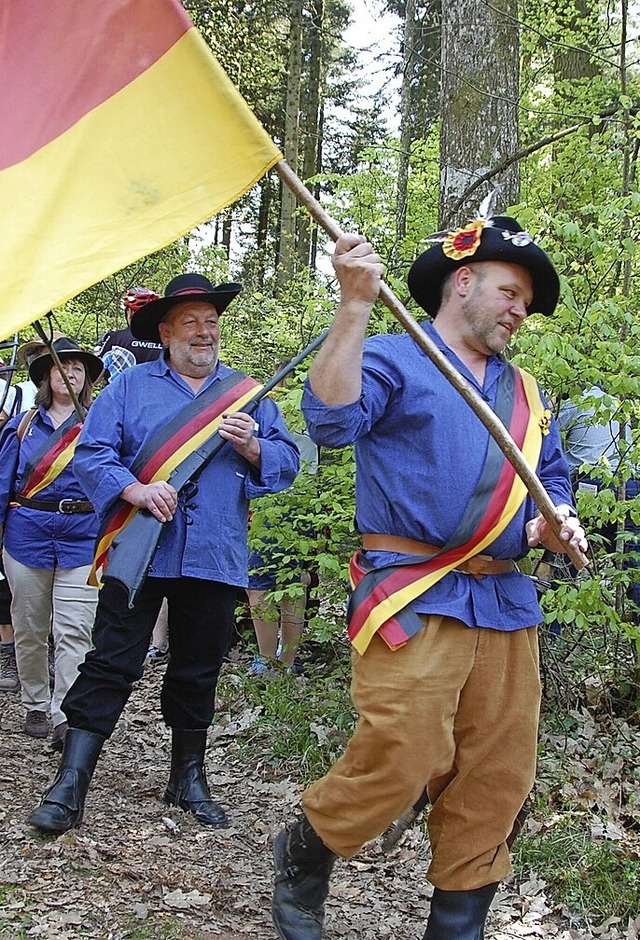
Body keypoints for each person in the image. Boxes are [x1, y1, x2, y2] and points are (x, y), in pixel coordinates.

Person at [271, 217, 588, 940]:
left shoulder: (528, 393)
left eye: (527, 303)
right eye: (510, 292)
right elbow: (329, 420)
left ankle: (456, 925)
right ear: (464, 281)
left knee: (497, 774)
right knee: (405, 750)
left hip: (506, 600)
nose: (519, 311)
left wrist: (553, 519)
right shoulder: (393, 355)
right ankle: (310, 844)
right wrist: (353, 306)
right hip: (415, 590)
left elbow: (553, 477)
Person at [26, 273, 300, 834]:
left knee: (198, 668)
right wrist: (134, 489)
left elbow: (288, 464)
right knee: (110, 661)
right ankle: (72, 779)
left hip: (216, 552)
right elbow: (92, 453)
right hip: (138, 549)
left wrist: (253, 446)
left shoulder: (247, 395)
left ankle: (188, 777)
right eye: (192, 323)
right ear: (167, 332)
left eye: (211, 323)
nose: (205, 333)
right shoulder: (128, 390)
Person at [0, 337, 103, 750]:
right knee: (29, 628)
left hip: (83, 538)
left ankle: (65, 713)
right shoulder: (23, 426)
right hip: (26, 535)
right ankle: (36, 702)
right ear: (46, 375)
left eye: (79, 367)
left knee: (75, 630)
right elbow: (3, 480)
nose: (71, 372)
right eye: (63, 365)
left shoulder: (101, 423)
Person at [95, 286, 164, 381]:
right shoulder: (167, 341)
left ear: (130, 312)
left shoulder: (115, 339)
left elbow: (94, 377)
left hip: (117, 395)